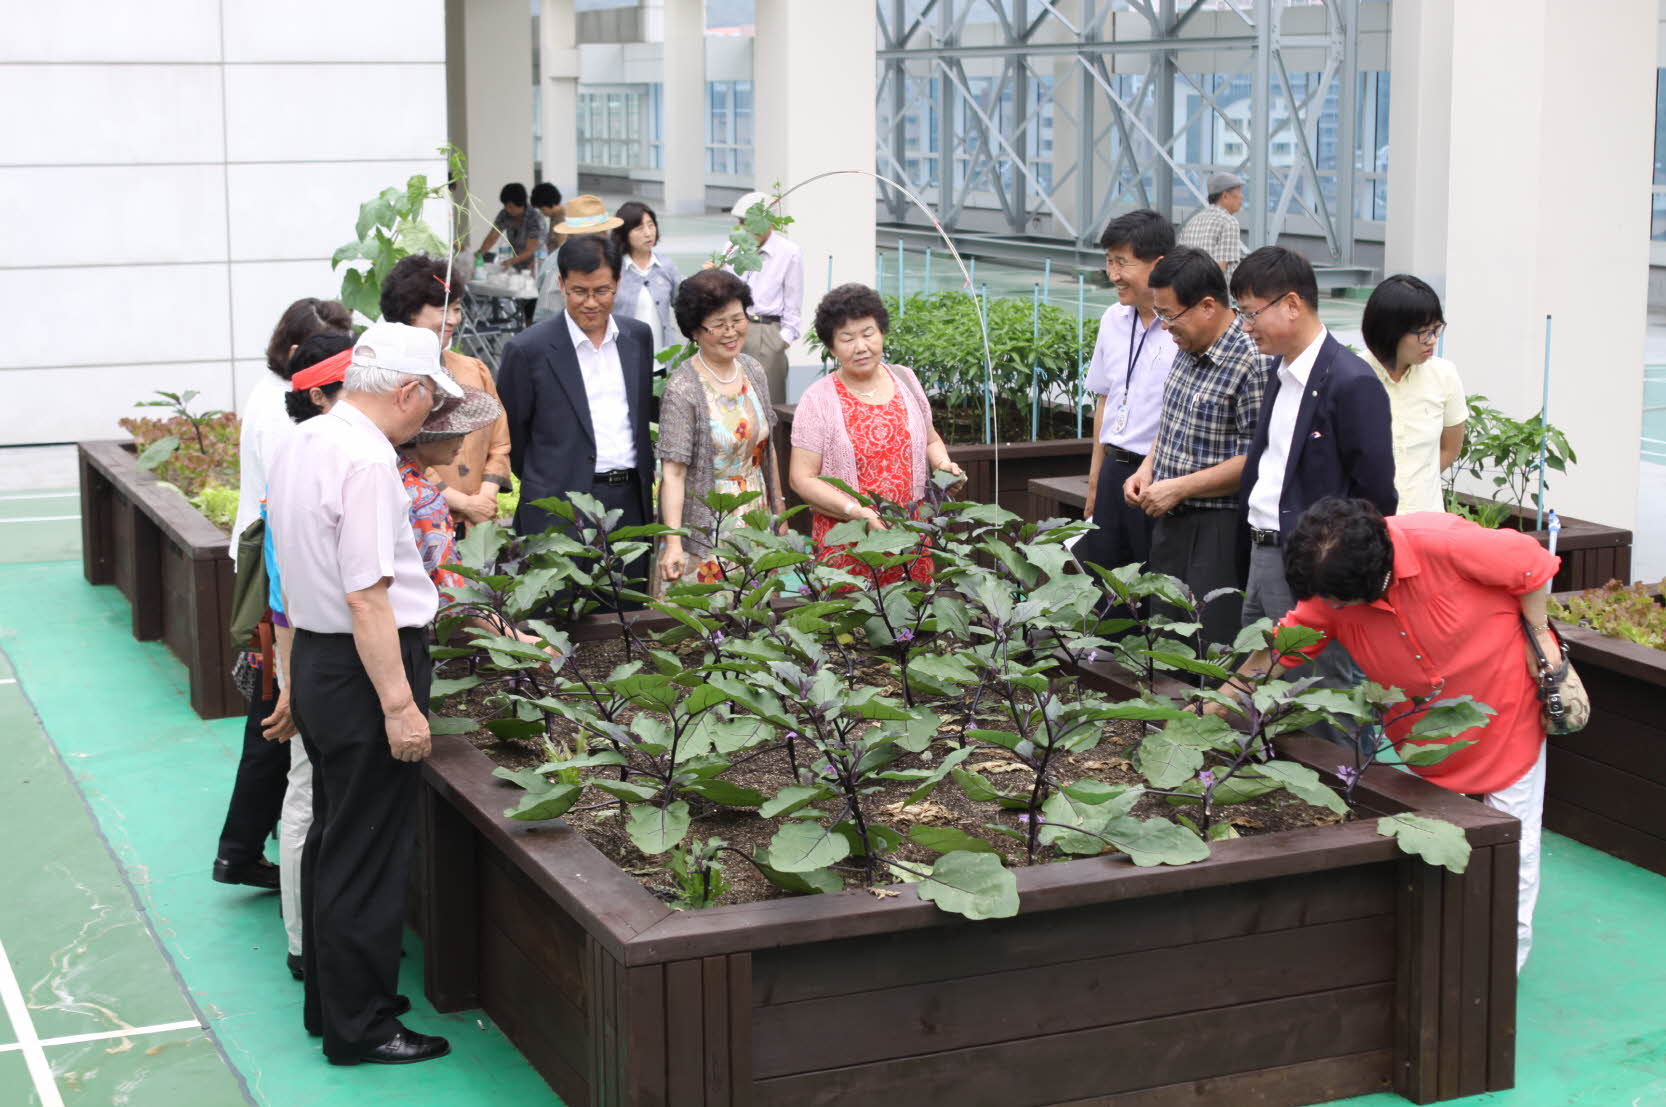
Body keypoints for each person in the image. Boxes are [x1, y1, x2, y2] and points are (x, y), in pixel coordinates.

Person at [1208, 498, 1559, 972]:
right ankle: (1445, 948)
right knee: (1441, 843)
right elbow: (1278, 652)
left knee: (1515, 849)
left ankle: (1499, 969)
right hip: (1427, 738)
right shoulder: (1330, 593)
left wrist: (1540, 638)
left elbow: (1533, 565)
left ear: (1377, 578)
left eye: (1339, 602)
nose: (1329, 608)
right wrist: (1212, 706)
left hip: (1506, 710)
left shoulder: (1444, 542)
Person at [266, 320, 463, 1065]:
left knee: (333, 835)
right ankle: (364, 1024)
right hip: (364, 662)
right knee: (369, 849)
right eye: (430, 400)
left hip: (319, 659)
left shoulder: (309, 438)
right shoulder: (369, 462)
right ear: (407, 392)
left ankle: (335, 998)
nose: (430, 419)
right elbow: (370, 596)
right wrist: (400, 704)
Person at [1233, 246, 1395, 746]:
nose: (1245, 326)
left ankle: (1345, 808)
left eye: (1250, 312)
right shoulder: (1278, 373)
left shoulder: (1351, 382)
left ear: (1292, 304)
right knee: (1266, 696)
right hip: (1264, 554)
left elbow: (1377, 498)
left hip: (1313, 570)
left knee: (1326, 699)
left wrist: (1335, 573)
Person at [215, 298, 350, 895]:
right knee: (272, 722)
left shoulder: (273, 397)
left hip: (275, 579)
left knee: (270, 723)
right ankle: (241, 850)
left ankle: (242, 849)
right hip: (278, 587)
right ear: (299, 355)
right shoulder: (284, 413)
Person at [498, 235, 657, 604]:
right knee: (558, 613)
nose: (590, 303)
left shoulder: (637, 337)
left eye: (602, 291)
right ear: (561, 285)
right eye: (578, 291)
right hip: (560, 504)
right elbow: (514, 436)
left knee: (626, 614)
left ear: (618, 283)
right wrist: (551, 477)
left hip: (629, 500)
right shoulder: (528, 349)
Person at [1124, 246, 1266, 646]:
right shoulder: (1187, 345)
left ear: (1207, 305)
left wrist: (1181, 486)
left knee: (1210, 641)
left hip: (1218, 527)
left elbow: (1255, 460)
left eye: (1169, 315)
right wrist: (1147, 468)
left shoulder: (1252, 360)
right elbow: (1171, 421)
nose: (1165, 326)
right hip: (1169, 516)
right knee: (1165, 636)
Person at [789, 283, 964, 586]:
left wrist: (944, 466)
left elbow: (932, 439)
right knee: (850, 626)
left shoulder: (905, 378)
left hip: (910, 536)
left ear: (881, 333)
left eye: (868, 333)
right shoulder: (818, 399)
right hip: (849, 544)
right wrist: (857, 512)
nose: (861, 346)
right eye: (847, 338)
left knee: (913, 623)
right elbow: (801, 478)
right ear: (831, 347)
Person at [658, 270, 784, 586]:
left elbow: (768, 450)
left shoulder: (753, 370)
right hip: (710, 522)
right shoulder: (683, 388)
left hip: (757, 516)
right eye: (718, 324)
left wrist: (779, 512)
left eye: (737, 320)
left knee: (760, 617)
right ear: (694, 331)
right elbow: (673, 473)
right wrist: (673, 541)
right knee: (714, 620)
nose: (731, 332)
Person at [380, 255, 513, 533]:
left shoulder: (473, 369)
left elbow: (500, 444)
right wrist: (463, 503)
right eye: (444, 310)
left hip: (481, 525)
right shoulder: (388, 379)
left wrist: (485, 498)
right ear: (410, 311)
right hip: (424, 526)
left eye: (457, 309)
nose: (453, 319)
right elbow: (403, 455)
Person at [1078, 210, 1178, 577]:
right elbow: (1105, 399)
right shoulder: (1112, 319)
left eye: (1122, 262)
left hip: (1159, 478)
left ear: (1159, 264)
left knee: (1153, 586)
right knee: (1105, 586)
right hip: (1112, 473)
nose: (1113, 274)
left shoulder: (1183, 326)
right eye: (1109, 262)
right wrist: (1094, 483)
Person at [1360, 275, 1466, 515]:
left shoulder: (1444, 375)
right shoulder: (1352, 376)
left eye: (1436, 329)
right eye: (1423, 333)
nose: (1432, 341)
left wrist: (1415, 485)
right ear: (1390, 332)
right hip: (1369, 528)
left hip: (1427, 525)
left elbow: (1450, 449)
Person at [726, 190, 803, 405]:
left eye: (749, 221)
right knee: (730, 402)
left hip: (766, 331)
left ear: (768, 221)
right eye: (741, 222)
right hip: (731, 329)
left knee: (769, 405)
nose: (745, 228)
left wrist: (781, 341)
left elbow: (793, 303)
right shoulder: (731, 249)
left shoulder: (788, 252)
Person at [534, 194, 622, 323]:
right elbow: (547, 316)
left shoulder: (603, 258)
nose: (607, 236)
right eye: (602, 232)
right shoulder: (558, 264)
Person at [612, 201, 683, 353]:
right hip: (624, 356)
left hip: (663, 357)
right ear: (624, 233)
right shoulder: (614, 269)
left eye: (651, 225)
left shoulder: (666, 265)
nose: (648, 233)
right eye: (639, 228)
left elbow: (684, 302)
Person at [1177, 172, 1247, 279]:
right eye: (1238, 192)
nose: (1242, 196)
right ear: (1225, 196)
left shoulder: (1193, 221)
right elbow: (1220, 267)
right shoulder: (1229, 222)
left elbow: (1179, 261)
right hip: (1216, 292)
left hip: (1190, 290)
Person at [477, 182, 548, 271]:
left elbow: (531, 249)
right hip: (517, 263)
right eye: (505, 206)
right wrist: (479, 255)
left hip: (536, 263)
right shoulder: (504, 214)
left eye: (511, 206)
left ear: (521, 204)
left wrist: (510, 261)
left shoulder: (534, 218)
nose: (507, 209)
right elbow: (492, 237)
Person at [531, 181, 566, 253]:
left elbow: (562, 249)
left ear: (550, 204)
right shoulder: (555, 216)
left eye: (542, 209)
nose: (541, 212)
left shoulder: (561, 220)